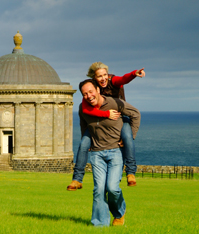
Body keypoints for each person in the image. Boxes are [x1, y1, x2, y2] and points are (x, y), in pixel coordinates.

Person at [67, 62, 145, 191]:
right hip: (100, 118)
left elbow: (123, 79)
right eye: (99, 76)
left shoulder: (112, 80)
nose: (103, 78)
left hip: (119, 114)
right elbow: (85, 113)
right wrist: (105, 114)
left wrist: (134, 74)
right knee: (83, 144)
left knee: (127, 137)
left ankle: (131, 172)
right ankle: (77, 179)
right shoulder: (90, 90)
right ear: (94, 78)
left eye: (105, 75)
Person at [78, 79, 140, 226]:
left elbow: (136, 114)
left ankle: (119, 213)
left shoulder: (113, 103)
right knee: (99, 190)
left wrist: (130, 137)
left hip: (115, 152)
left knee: (112, 188)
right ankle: (100, 225)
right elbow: (83, 125)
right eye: (85, 94)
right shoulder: (84, 108)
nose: (89, 96)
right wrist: (86, 142)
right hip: (97, 153)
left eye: (91, 91)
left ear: (98, 90)